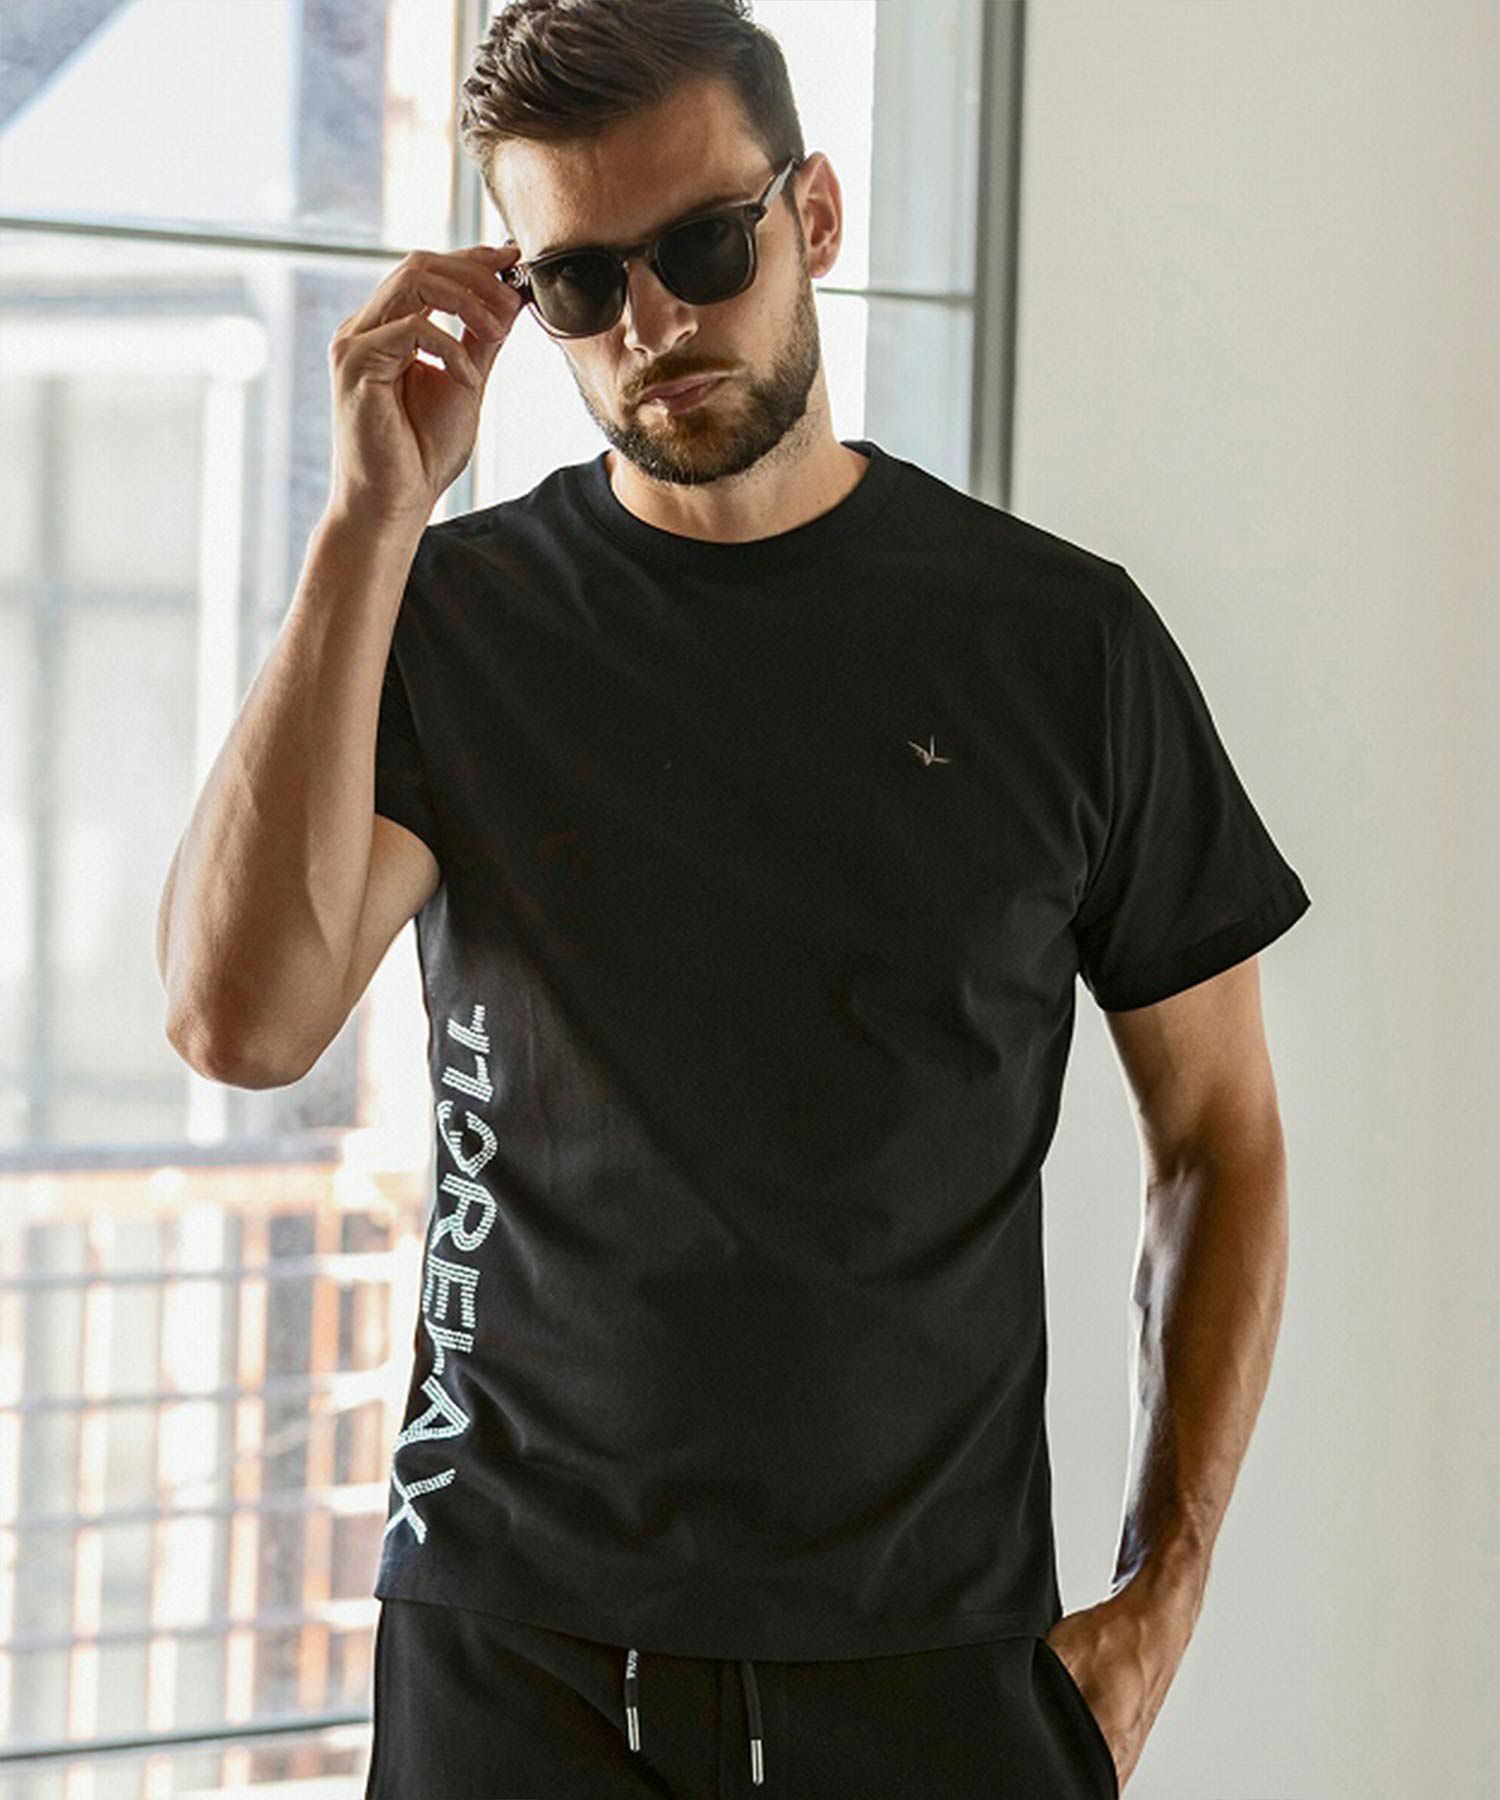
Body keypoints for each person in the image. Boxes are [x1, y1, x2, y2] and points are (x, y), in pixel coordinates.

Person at [157, 4, 1311, 1794]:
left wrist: (1162, 1600)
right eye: (578, 284)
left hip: (927, 1672)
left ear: (814, 215)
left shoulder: (1060, 646)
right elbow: (241, 1022)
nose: (653, 325)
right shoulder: (454, 626)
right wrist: (367, 521)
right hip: (514, 1656)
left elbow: (1222, 1136)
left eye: (704, 246)